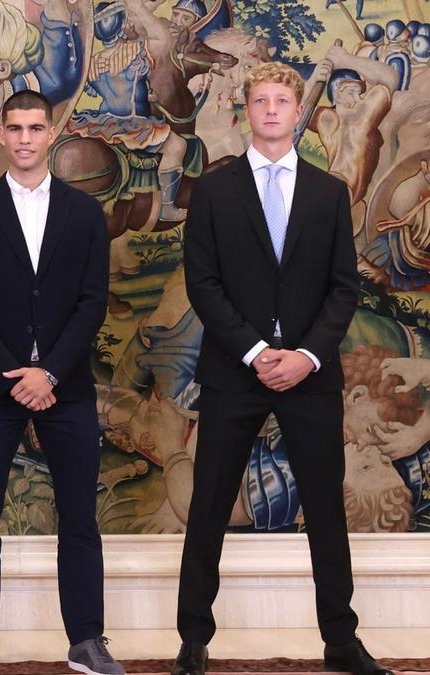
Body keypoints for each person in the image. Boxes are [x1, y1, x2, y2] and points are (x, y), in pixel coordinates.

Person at [174, 62, 390, 675]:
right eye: (261, 100)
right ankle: (193, 638)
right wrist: (253, 352)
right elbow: (203, 282)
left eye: (281, 101)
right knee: (210, 504)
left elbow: (343, 290)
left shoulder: (327, 192)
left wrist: (306, 356)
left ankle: (341, 639)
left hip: (310, 375)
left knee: (325, 505)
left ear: (298, 113)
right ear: (247, 111)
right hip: (233, 373)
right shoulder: (214, 189)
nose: (271, 110)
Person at [0, 90, 119, 675]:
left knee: (79, 516)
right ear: (1, 132)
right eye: (15, 128)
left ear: (52, 133)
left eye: (35, 128)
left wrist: (49, 372)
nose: (24, 138)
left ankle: (87, 640)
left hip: (65, 385)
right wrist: (14, 375)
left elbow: (93, 303)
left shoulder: (83, 213)